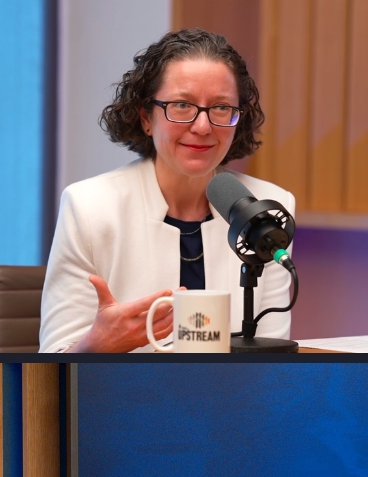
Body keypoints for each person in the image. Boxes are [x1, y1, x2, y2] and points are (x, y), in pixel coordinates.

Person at [39, 28, 296, 352]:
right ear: (146, 117)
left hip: (232, 400)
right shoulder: (90, 208)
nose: (202, 126)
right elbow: (50, 369)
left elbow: (273, 360)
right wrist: (96, 346)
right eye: (182, 105)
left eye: (220, 107)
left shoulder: (266, 209)